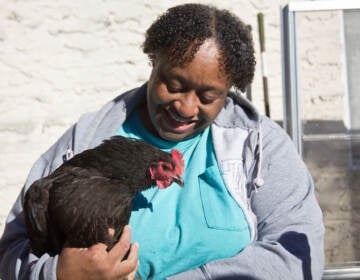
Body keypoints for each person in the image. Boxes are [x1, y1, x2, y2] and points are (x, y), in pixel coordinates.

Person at [0, 3, 325, 280]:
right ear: (153, 63)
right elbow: (10, 256)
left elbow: (296, 255)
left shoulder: (260, 147)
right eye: (173, 85)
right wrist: (58, 274)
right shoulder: (84, 141)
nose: (185, 107)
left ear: (227, 94)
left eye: (208, 96)